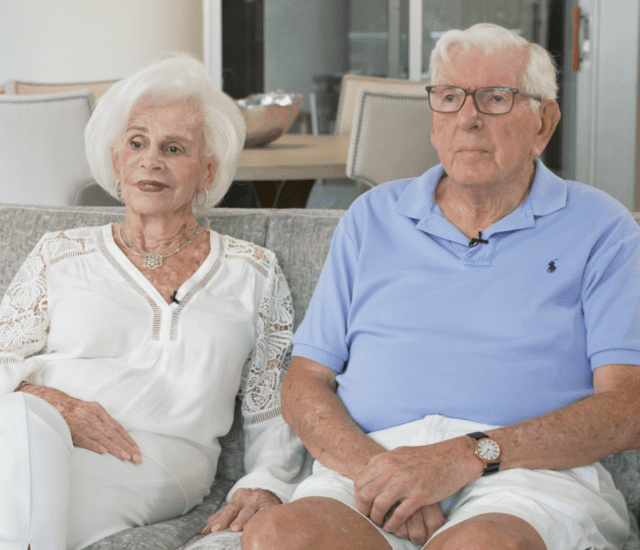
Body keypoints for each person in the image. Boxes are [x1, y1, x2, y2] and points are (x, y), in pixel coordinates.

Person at [240, 23, 640, 550]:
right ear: (434, 120)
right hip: (374, 464)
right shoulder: (371, 218)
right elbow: (304, 381)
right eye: (450, 97)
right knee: (278, 537)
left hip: (524, 474)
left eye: (496, 98)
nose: (468, 119)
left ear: (543, 122)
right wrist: (387, 476)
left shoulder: (602, 228)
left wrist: (463, 457)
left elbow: (627, 408)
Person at [0, 55, 309, 550]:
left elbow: (271, 406)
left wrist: (267, 482)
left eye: (175, 148)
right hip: (31, 435)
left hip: (156, 461)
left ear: (207, 170)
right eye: (137, 143)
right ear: (116, 159)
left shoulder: (253, 272)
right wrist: (47, 401)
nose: (151, 160)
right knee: (20, 429)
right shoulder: (59, 253)